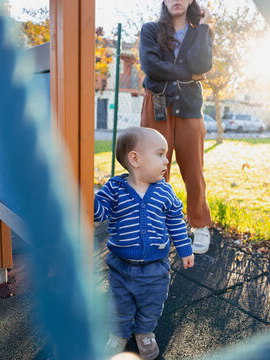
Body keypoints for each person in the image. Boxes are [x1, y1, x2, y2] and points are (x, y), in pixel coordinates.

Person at [94, 127, 195, 359]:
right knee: (119, 305)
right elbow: (99, 213)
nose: (167, 160)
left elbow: (176, 222)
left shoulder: (165, 192)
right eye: (160, 154)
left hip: (155, 266)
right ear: (135, 159)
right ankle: (118, 334)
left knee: (152, 303)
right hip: (121, 266)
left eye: (165, 155)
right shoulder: (114, 188)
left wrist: (184, 248)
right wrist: (88, 198)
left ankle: (145, 332)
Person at [139, 0, 213, 254]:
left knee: (194, 171)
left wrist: (203, 28)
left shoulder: (199, 31)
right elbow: (151, 67)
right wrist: (186, 73)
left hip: (190, 108)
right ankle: (156, 226)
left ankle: (200, 225)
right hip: (157, 106)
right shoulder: (150, 30)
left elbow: (201, 66)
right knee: (154, 170)